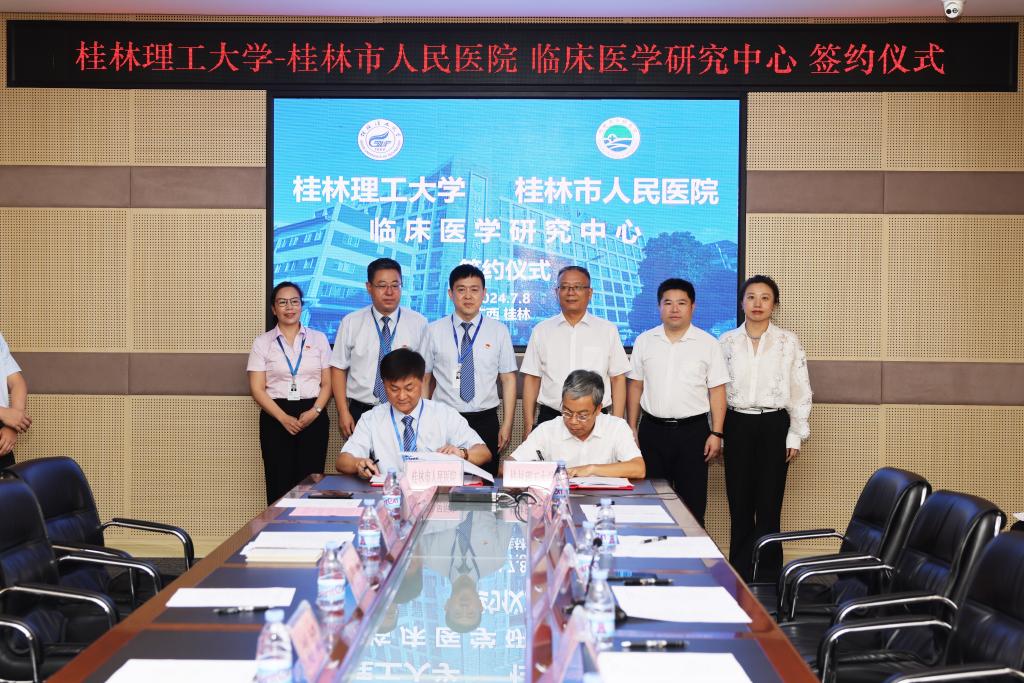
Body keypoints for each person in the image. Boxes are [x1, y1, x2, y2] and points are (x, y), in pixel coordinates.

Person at [719, 275, 812, 582]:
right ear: (741, 302)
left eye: (765, 298)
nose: (757, 304)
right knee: (739, 506)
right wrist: (717, 432)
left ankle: (769, 578)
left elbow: (800, 389)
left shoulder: (788, 342)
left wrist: (795, 434)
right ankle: (740, 574)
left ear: (774, 304)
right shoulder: (726, 342)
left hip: (774, 424)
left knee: (770, 506)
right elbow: (715, 392)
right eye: (751, 297)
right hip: (736, 424)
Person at [626, 278, 729, 527]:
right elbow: (636, 386)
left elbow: (717, 391)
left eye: (681, 303)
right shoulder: (644, 341)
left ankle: (693, 552)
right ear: (659, 306)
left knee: (692, 508)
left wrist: (716, 433)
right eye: (668, 303)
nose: (674, 309)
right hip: (652, 431)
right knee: (651, 505)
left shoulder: (708, 343)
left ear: (692, 306)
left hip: (693, 434)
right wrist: (632, 427)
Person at [422, 264, 518, 478]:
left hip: (485, 420)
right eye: (461, 289)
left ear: (484, 293)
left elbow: (508, 379)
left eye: (474, 290)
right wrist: (424, 419)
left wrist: (507, 424)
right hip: (444, 419)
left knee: (485, 482)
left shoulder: (498, 331)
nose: (468, 296)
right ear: (450, 293)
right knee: (443, 480)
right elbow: (425, 379)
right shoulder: (433, 330)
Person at [335, 348, 490, 478]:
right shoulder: (372, 418)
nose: (402, 396)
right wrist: (357, 464)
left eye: (409, 388)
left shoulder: (444, 414)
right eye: (394, 389)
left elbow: (484, 453)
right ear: (383, 384)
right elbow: (342, 461)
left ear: (422, 381)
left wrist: (462, 454)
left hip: (435, 492)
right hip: (390, 494)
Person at [247, 282, 333, 504]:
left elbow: (328, 383)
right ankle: (278, 526)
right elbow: (257, 388)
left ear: (301, 306)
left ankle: (308, 525)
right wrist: (283, 417)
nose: (289, 307)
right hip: (276, 416)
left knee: (310, 484)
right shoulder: (262, 342)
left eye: (294, 302)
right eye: (282, 302)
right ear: (274, 309)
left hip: (313, 415)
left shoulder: (319, 339)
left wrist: (315, 411)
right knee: (279, 481)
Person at [520, 266, 630, 437]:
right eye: (564, 287)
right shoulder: (541, 330)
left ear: (590, 293)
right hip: (551, 419)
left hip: (596, 420)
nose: (570, 292)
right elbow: (532, 379)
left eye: (577, 287)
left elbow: (618, 379)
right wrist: (529, 427)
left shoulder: (607, 330)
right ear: (556, 292)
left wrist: (617, 425)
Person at [330, 258, 428, 438]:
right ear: (369, 287)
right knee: (360, 457)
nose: (389, 292)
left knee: (403, 457)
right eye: (382, 286)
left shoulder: (419, 323)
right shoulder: (351, 322)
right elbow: (338, 368)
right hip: (361, 410)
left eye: (395, 285)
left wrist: (422, 413)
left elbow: (425, 374)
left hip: (406, 411)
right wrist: (343, 412)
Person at [507, 370, 645, 479]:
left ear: (598, 409)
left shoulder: (616, 428)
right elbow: (507, 466)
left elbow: (639, 469)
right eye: (567, 412)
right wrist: (545, 471)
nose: (573, 421)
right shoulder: (547, 430)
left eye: (582, 415)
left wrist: (591, 469)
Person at [419, 510, 514, 633]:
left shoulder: (430, 559)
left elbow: (419, 519)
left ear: (447, 605)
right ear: (480, 605)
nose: (464, 607)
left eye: (457, 613)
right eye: (470, 613)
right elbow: (507, 514)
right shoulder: (496, 560)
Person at [0, 332, 30, 469]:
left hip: (3, 430)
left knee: (7, 482)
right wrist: (4, 414)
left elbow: (16, 381)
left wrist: (14, 425)